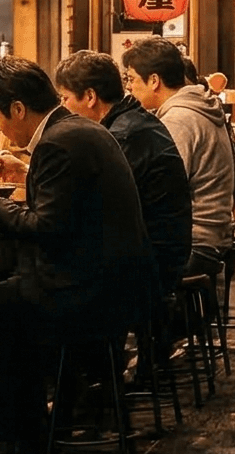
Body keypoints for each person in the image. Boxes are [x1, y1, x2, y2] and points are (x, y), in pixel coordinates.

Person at [0, 59, 155, 454]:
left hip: (87, 292)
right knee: (1, 297)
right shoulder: (76, 129)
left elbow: (47, 228)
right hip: (119, 283)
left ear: (18, 109)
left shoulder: (59, 141)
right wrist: (26, 173)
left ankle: (6, 438)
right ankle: (26, 429)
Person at [56, 51, 192, 294]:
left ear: (90, 97)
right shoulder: (130, 121)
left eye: (65, 98)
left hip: (152, 264)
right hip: (155, 252)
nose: (62, 107)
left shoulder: (124, 136)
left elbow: (93, 206)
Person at [123, 38, 234, 277]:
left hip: (195, 241)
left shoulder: (179, 120)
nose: (129, 88)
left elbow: (163, 191)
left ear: (154, 81)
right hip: (213, 232)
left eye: (131, 79)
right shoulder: (197, 105)